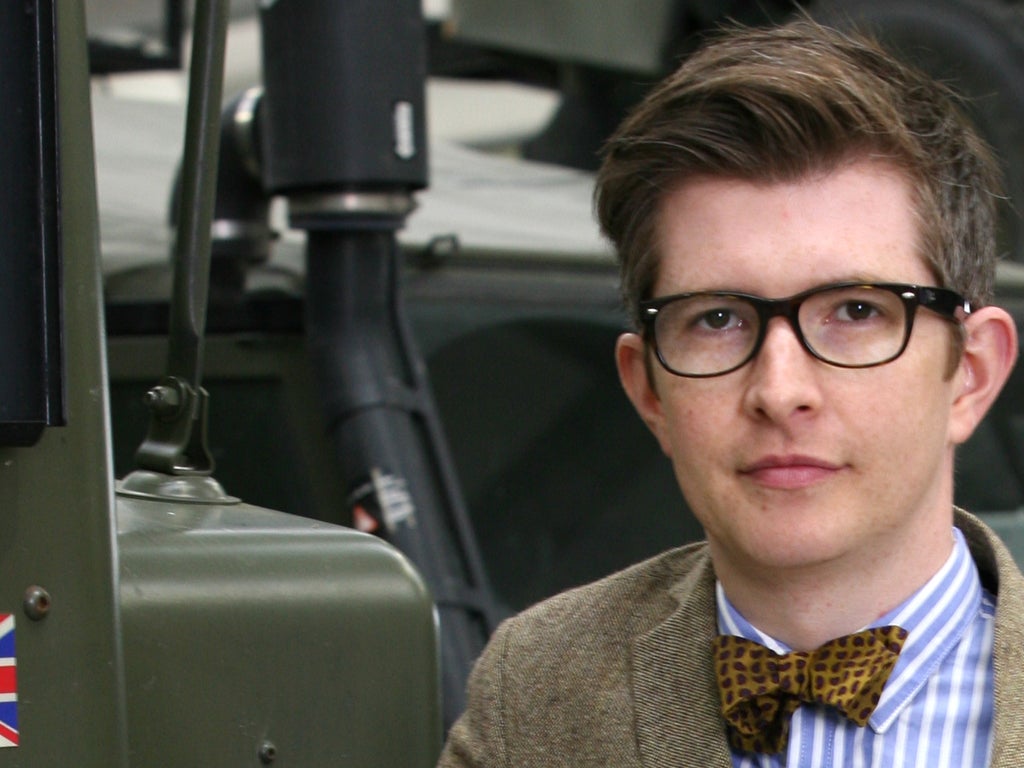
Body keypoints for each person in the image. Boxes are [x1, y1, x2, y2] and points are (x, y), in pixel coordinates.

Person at [437, 19, 1024, 768]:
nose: (780, 390)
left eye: (855, 312)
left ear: (972, 372)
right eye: (717, 319)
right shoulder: (538, 693)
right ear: (648, 389)